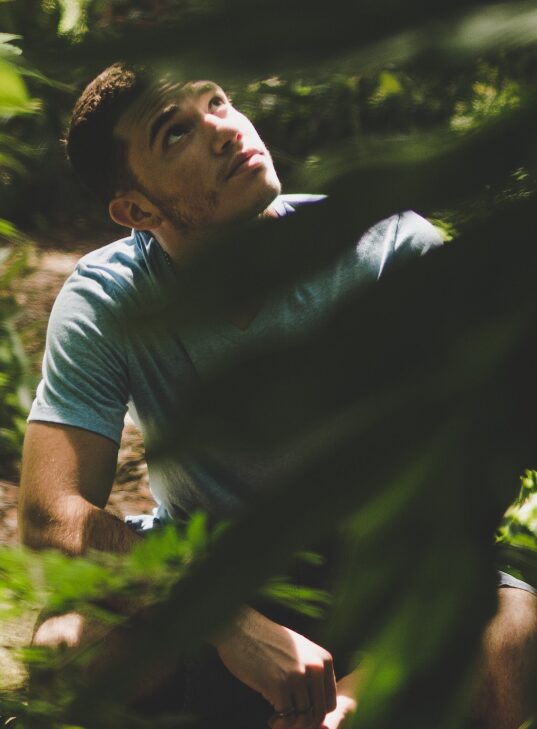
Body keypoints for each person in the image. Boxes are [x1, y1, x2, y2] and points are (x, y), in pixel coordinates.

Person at [17, 63, 537, 729]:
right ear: (137, 210)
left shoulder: (387, 247)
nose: (225, 130)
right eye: (176, 133)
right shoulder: (108, 298)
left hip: (384, 576)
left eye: (218, 102)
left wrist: (353, 698)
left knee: (511, 639)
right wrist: (227, 622)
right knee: (66, 652)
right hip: (212, 576)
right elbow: (50, 513)